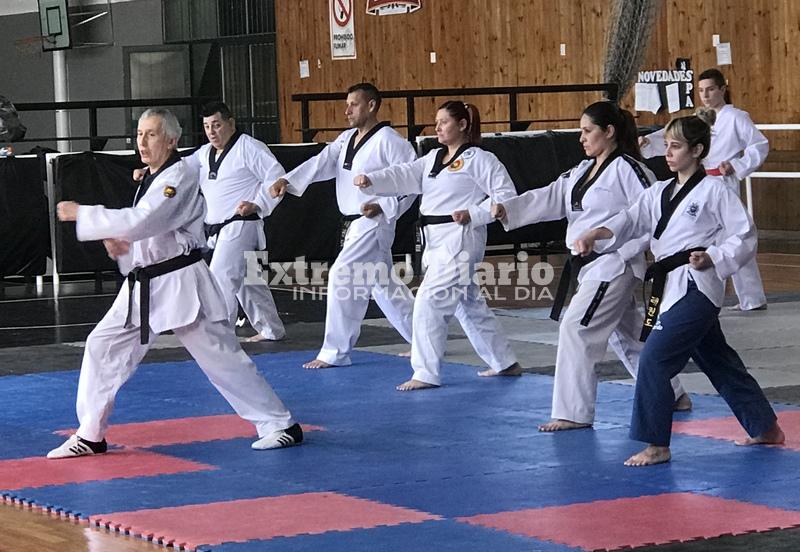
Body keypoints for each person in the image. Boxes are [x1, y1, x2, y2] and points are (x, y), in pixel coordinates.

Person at [47, 108, 302, 459]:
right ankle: (90, 434)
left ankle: (280, 424)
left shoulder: (178, 176)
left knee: (221, 359)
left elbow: (145, 220)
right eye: (138, 134)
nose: (142, 141)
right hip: (146, 285)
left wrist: (88, 215)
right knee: (101, 346)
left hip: (182, 284)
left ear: (171, 140)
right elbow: (149, 231)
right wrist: (122, 244)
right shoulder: (153, 178)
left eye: (151, 134)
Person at [576, 111, 783, 466]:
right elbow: (629, 220)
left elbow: (745, 235)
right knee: (717, 359)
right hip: (669, 285)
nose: (668, 153)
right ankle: (765, 426)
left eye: (676, 146)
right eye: (667, 146)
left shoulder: (714, 190)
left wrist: (715, 256)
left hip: (697, 285)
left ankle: (656, 443)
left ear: (698, 150)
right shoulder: (658, 192)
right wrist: (597, 233)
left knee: (654, 359)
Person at [491, 102, 690, 431]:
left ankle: (573, 412)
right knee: (626, 337)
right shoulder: (582, 170)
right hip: (590, 266)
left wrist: (633, 252)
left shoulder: (630, 169)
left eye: (587, 131)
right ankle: (671, 393)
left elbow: (652, 212)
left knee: (577, 328)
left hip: (615, 264)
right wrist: (508, 209)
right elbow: (551, 196)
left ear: (609, 132)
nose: (581, 138)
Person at [355, 101, 522, 390]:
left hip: (461, 237)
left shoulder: (479, 159)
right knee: (468, 305)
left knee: (429, 302)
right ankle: (504, 361)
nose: (438, 127)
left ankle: (425, 373)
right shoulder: (432, 158)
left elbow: (506, 194)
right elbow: (403, 174)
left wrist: (476, 213)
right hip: (434, 241)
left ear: (462, 125)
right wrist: (372, 180)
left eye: (444, 121)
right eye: (437, 122)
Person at [264, 83, 417, 369]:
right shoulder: (346, 139)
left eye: (354, 105)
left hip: (373, 222)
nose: (347, 111)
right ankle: (425, 341)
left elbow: (412, 182)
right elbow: (321, 162)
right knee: (383, 285)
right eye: (346, 104)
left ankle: (335, 352)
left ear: (372, 106)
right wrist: (290, 179)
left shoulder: (391, 141)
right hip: (353, 223)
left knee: (341, 276)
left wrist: (384, 206)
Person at [136, 102, 287, 342]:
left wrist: (257, 203)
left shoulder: (250, 148)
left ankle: (220, 336)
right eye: (207, 126)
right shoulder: (204, 153)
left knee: (220, 278)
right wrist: (151, 171)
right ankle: (271, 328)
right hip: (218, 228)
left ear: (231, 123)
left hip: (241, 224)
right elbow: (180, 167)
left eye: (216, 125)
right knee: (249, 282)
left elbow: (276, 177)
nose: (212, 132)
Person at [640, 68, 768, 311]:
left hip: (723, 181)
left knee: (735, 236)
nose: (706, 95)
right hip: (697, 182)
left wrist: (737, 164)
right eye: (701, 90)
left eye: (710, 89)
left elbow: (759, 144)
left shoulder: (736, 117)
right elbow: (677, 138)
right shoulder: (698, 119)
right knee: (705, 240)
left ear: (722, 89)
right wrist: (649, 142)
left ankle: (752, 297)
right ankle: (710, 293)